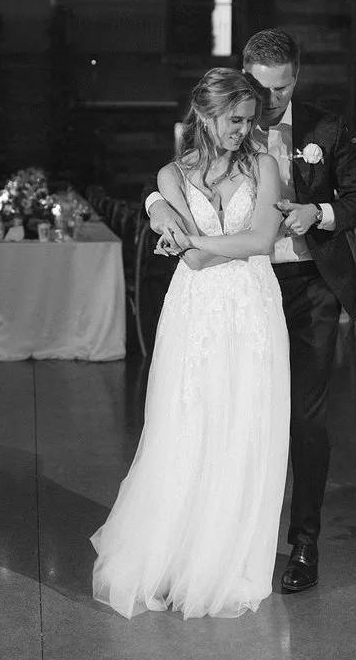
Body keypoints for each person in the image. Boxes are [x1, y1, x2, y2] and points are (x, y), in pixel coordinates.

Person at [143, 30, 356, 594]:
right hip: (238, 288)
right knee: (225, 414)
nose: (272, 100)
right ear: (246, 77)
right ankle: (224, 539)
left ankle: (303, 543)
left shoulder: (326, 127)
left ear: (297, 77)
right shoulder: (230, 122)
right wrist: (153, 203)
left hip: (307, 282)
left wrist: (318, 212)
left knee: (306, 417)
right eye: (263, 88)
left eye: (285, 86)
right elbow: (179, 181)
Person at [91, 68, 290, 619]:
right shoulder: (172, 174)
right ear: (205, 114)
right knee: (187, 424)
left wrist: (182, 231)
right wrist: (171, 218)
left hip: (253, 306)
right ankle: (175, 559)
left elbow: (263, 240)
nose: (243, 129)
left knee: (247, 425)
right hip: (195, 311)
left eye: (249, 120)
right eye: (234, 119)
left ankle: (228, 561)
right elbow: (202, 260)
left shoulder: (265, 165)